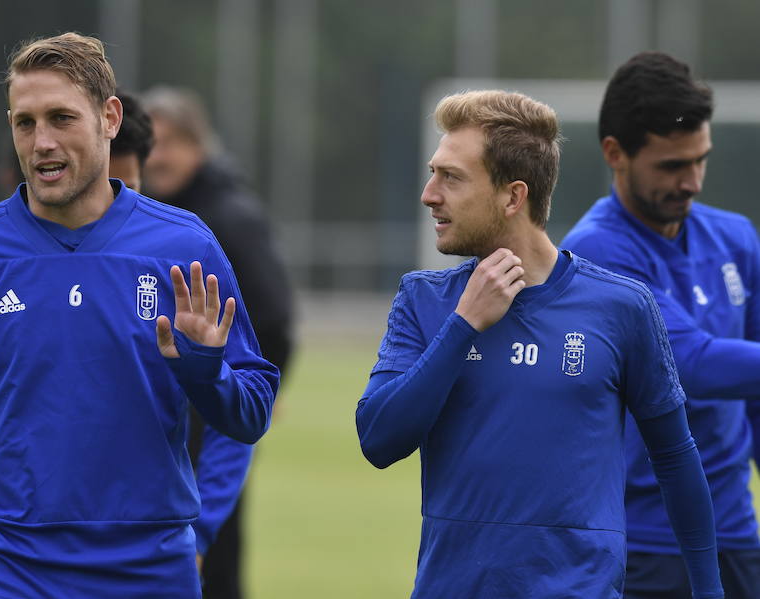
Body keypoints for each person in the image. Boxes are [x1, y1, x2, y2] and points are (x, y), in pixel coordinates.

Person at [0, 32, 278, 599]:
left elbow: (250, 416)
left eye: (61, 118)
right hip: (4, 568)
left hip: (149, 571)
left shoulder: (183, 247)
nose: (41, 141)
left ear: (109, 118)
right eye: (25, 122)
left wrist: (207, 372)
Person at [356, 89, 724, 598]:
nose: (429, 193)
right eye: (433, 172)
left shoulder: (622, 307)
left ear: (513, 196)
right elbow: (378, 439)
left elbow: (676, 458)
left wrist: (709, 591)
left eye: (451, 177)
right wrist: (463, 326)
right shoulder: (425, 300)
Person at [562, 51, 760, 598]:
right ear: (615, 154)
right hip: (643, 545)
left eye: (700, 161)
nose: (692, 182)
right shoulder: (594, 253)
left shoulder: (736, 238)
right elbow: (689, 364)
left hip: (737, 535)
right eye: (672, 166)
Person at [140, 86, 295, 599]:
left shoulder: (228, 217)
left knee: (213, 555)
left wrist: (254, 391)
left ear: (198, 147)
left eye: (169, 143)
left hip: (214, 413)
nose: (156, 157)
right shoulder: (155, 214)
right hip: (173, 412)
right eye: (150, 144)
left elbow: (274, 318)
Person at [107, 89, 258, 585]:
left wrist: (202, 528)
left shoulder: (190, 242)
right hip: (18, 563)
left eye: (132, 188)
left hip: (153, 553)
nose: (121, 206)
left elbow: (241, 397)